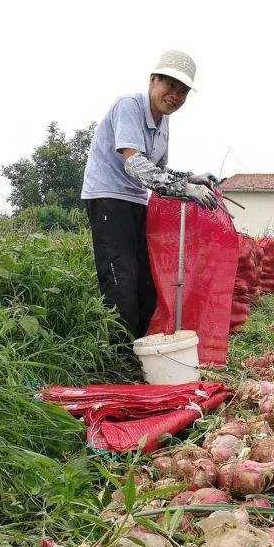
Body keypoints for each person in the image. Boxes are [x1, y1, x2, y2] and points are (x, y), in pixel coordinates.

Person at [80, 50, 218, 347]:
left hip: (137, 202)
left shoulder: (164, 121)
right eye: (169, 85)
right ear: (152, 80)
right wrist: (185, 190)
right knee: (121, 284)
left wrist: (189, 178)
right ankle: (116, 361)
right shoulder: (129, 106)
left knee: (147, 286)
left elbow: (158, 170)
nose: (175, 95)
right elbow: (135, 164)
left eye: (182, 91)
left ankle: (138, 354)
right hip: (109, 199)